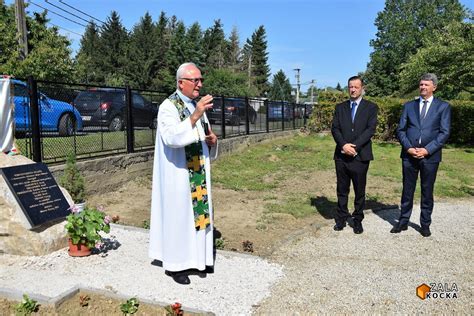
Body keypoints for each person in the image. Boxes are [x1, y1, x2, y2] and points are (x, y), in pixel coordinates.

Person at [148, 62, 218, 284]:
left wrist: (212, 141)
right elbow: (171, 138)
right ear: (181, 82)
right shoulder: (168, 107)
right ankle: (176, 265)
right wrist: (195, 115)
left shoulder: (195, 105)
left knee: (197, 217)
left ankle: (198, 260)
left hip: (197, 171)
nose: (199, 84)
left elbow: (204, 133)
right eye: (194, 80)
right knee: (179, 218)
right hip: (177, 173)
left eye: (200, 79)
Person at [392, 73, 450, 237]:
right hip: (409, 155)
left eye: (426, 85)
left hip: (430, 157)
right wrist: (409, 147)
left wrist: (427, 149)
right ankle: (403, 221)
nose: (423, 87)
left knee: (427, 191)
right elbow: (401, 130)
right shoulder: (409, 106)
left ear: (434, 87)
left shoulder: (443, 107)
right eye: (421, 84)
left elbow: (444, 133)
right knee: (407, 190)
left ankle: (425, 224)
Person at [331, 76, 378, 234]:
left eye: (356, 87)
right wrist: (343, 145)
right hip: (341, 156)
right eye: (350, 87)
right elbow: (335, 129)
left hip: (360, 156)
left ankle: (357, 220)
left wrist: (355, 147)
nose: (353, 90)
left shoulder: (371, 107)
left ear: (362, 88)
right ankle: (341, 218)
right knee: (342, 190)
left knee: (359, 191)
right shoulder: (340, 107)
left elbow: (370, 130)